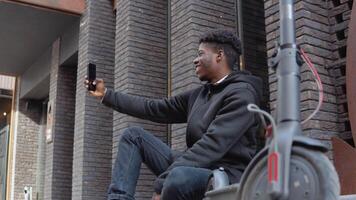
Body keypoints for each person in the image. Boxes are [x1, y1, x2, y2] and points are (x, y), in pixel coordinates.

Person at [85, 29, 263, 200]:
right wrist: (106, 94)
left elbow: (211, 146)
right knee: (133, 136)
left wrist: (162, 182)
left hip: (224, 176)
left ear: (219, 55)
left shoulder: (242, 94)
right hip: (193, 168)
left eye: (201, 54)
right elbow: (153, 108)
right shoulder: (199, 95)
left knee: (178, 176)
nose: (195, 60)